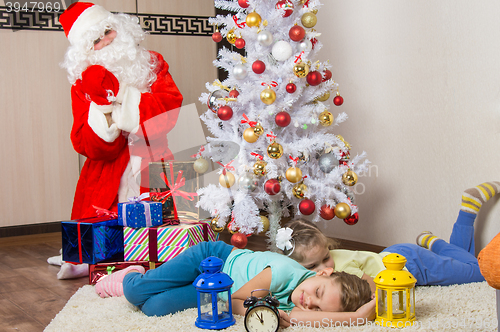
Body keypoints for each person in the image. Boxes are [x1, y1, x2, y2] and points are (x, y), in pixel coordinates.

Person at [59, 2, 183, 220]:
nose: (106, 41)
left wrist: (125, 97)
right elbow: (85, 143)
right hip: (105, 177)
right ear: (86, 51)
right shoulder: (82, 85)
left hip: (155, 160)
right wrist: (104, 112)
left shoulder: (152, 63)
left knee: (161, 238)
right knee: (103, 242)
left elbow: (169, 109)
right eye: (96, 41)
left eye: (108, 31)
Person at [94, 241, 375, 328]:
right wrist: (262, 310)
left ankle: (146, 285)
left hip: (216, 291)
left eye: (316, 306)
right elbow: (235, 302)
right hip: (211, 261)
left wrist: (359, 316)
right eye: (317, 293)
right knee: (135, 292)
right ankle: (132, 274)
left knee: (154, 308)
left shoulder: (305, 302)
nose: (307, 302)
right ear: (323, 274)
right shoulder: (284, 272)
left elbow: (307, 317)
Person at [276, 182, 497, 291]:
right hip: (394, 255)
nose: (326, 266)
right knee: (464, 262)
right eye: (313, 265)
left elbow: (370, 290)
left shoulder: (340, 272)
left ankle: (438, 241)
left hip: (412, 265)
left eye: (326, 257)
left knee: (483, 273)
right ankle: (461, 217)